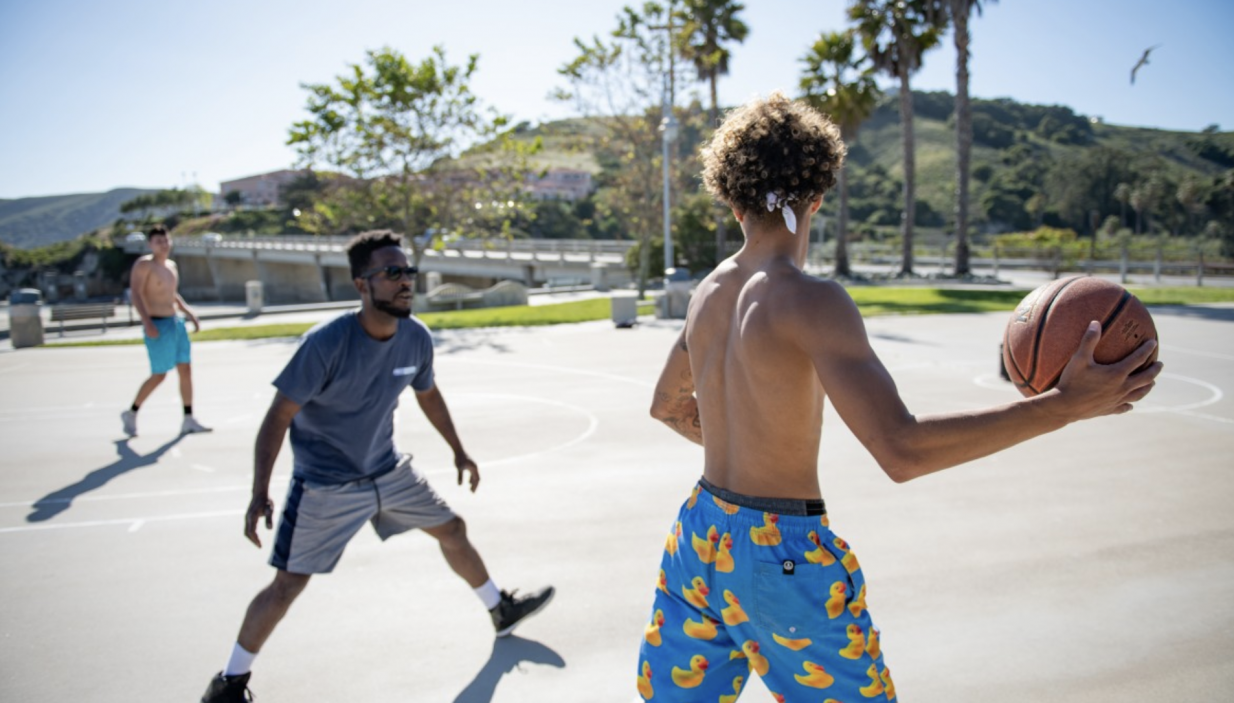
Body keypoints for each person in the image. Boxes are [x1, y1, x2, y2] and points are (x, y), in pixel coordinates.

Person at [636, 92, 1161, 702]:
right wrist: (1060, 406)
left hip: (700, 533)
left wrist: (740, 439)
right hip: (780, 556)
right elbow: (902, 451)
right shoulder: (811, 301)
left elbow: (667, 406)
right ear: (818, 194)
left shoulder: (707, 292)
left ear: (732, 200)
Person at [201, 231, 554, 703]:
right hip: (326, 484)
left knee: (452, 529)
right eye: (392, 272)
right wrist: (259, 491)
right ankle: (228, 684)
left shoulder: (415, 337)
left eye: (408, 271)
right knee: (288, 584)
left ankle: (499, 609)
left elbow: (428, 394)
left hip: (387, 470)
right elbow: (278, 417)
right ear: (361, 285)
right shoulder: (325, 344)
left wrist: (458, 450)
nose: (405, 280)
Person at [120, 224, 211, 436]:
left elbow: (172, 294)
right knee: (159, 374)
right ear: (150, 244)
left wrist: (189, 313)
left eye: (166, 240)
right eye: (158, 241)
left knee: (185, 369)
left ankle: (188, 418)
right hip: (157, 324)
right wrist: (147, 323)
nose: (163, 245)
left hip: (175, 323)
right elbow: (136, 294)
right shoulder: (144, 265)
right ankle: (131, 412)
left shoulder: (171, 266)